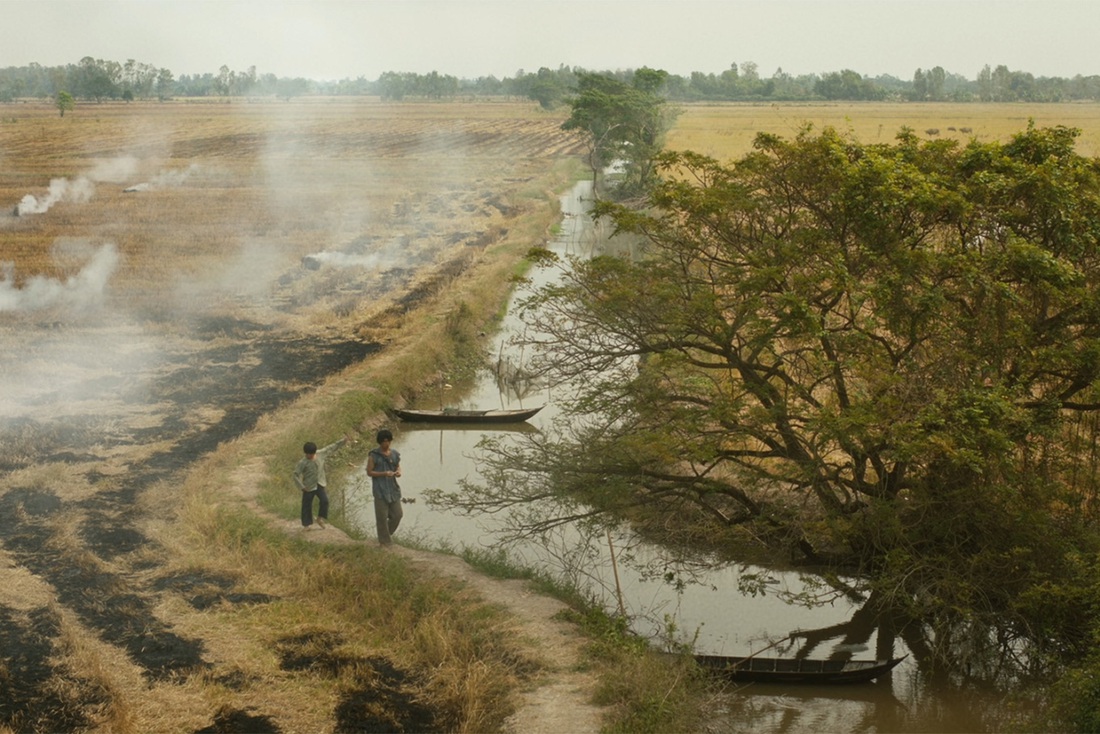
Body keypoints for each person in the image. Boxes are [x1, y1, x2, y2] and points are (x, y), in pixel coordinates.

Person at [292, 437, 346, 530]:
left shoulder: (320, 454)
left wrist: (342, 441)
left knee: (325, 501)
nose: (310, 456)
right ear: (305, 453)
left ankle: (320, 518)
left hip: (320, 484)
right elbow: (295, 474)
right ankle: (306, 525)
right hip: (308, 487)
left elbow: (331, 447)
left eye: (312, 454)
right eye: (308, 454)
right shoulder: (303, 462)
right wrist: (302, 487)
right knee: (306, 505)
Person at [366, 428, 402, 545]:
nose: (386, 444)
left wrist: (398, 472)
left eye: (388, 441)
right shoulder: (374, 455)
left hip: (393, 489)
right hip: (380, 490)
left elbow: (398, 466)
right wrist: (384, 473)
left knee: (397, 515)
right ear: (380, 442)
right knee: (381, 518)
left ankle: (386, 535)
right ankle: (385, 542)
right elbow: (369, 472)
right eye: (384, 442)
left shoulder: (395, 454)